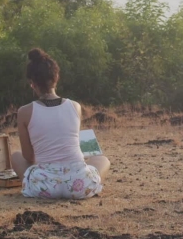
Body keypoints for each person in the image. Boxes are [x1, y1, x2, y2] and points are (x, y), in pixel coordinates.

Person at [11, 48, 110, 199]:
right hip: (79, 185)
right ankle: (89, 185)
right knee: (102, 160)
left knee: (16, 156)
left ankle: (38, 181)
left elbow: (29, 157)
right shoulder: (75, 106)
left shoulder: (24, 112)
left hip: (44, 187)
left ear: (32, 83)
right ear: (56, 76)